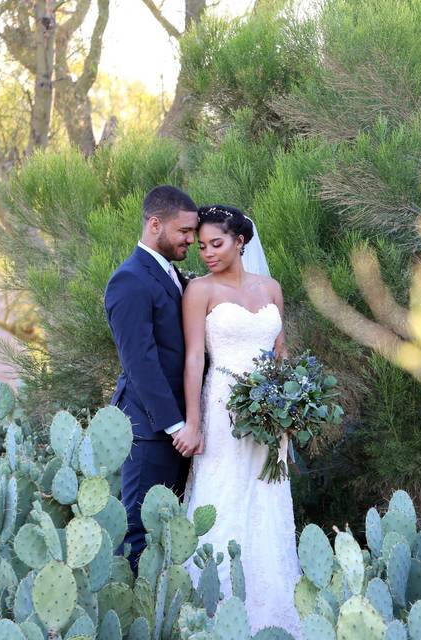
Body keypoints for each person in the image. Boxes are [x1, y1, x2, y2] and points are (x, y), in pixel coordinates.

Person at [179, 204, 302, 636]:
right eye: (201, 246)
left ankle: (273, 614)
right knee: (225, 499)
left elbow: (281, 353)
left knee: (267, 503)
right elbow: (194, 359)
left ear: (240, 242)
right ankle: (215, 612)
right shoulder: (200, 291)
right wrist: (193, 423)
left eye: (216, 244)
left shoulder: (271, 289)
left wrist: (291, 407)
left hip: (271, 417)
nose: (207, 253)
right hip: (221, 409)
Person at [103, 185, 203, 570]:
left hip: (179, 432)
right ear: (155, 224)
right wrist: (176, 425)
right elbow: (140, 363)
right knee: (138, 534)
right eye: (184, 232)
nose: (191, 240)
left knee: (171, 535)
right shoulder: (129, 280)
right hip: (150, 431)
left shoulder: (171, 274)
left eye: (193, 232)